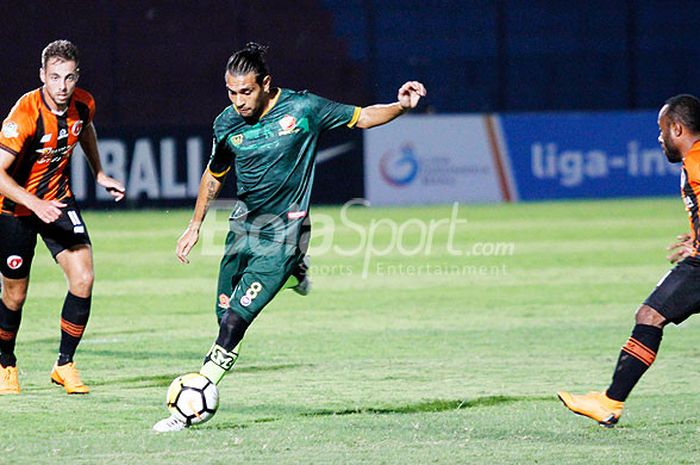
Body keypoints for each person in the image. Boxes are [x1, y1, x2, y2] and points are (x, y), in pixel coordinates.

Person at [153, 42, 426, 431]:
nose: (238, 101)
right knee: (224, 314)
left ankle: (191, 403)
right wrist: (195, 225)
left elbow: (362, 117)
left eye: (245, 91)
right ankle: (297, 269)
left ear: (266, 83)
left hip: (285, 231)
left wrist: (400, 106)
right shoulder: (226, 124)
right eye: (231, 92)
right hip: (243, 229)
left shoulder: (303, 109)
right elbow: (214, 176)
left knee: (234, 321)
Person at [558, 94, 700, 427]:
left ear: (677, 128)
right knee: (650, 315)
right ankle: (610, 402)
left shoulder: (696, 162)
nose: (659, 136)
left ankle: (609, 403)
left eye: (662, 128)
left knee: (650, 315)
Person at [0, 40, 125, 395]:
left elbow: (84, 129)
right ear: (42, 76)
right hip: (13, 209)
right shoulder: (24, 114)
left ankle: (64, 364)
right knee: (15, 296)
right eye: (54, 77)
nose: (62, 86)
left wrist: (99, 172)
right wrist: (33, 203)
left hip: (57, 201)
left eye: (68, 78)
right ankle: (5, 362)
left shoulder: (83, 103)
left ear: (77, 77)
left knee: (83, 277)